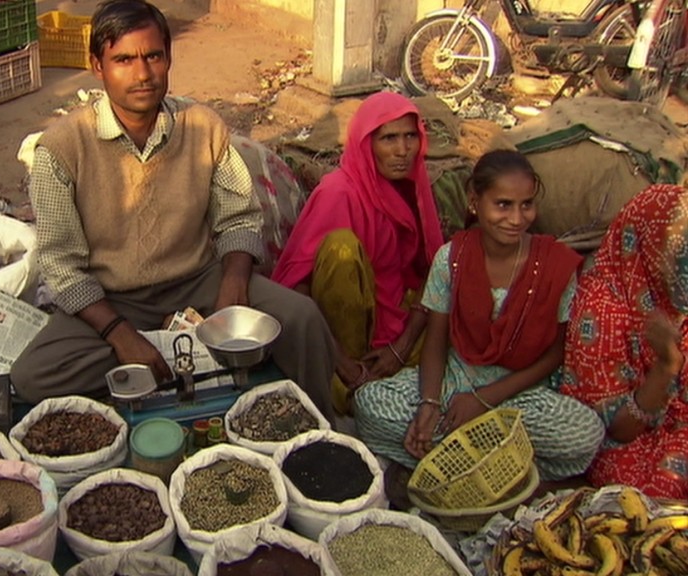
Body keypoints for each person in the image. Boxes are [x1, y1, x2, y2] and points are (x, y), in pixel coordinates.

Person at [9, 0, 337, 418]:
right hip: (113, 298)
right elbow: (62, 266)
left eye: (153, 56)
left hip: (197, 281)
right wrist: (119, 334)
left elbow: (238, 215)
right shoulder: (61, 149)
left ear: (168, 58)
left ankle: (318, 430)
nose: (143, 73)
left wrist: (234, 282)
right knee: (34, 374)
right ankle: (169, 351)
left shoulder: (202, 126)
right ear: (97, 66)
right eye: (124, 59)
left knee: (303, 320)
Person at [354, 150, 604, 481]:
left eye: (526, 204)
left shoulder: (554, 265)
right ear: (474, 201)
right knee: (369, 403)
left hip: (518, 393)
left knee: (584, 436)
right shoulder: (452, 258)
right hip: (458, 378)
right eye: (503, 204)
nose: (517, 218)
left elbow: (555, 353)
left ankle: (452, 464)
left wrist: (483, 401)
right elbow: (436, 339)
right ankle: (499, 469)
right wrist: (430, 403)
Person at [271, 92, 444, 415]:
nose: (403, 150)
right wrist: (343, 362)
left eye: (410, 137)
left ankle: (373, 378)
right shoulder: (338, 192)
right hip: (337, 332)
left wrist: (400, 347)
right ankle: (348, 378)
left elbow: (432, 274)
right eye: (389, 138)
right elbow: (297, 286)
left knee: (455, 333)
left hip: (393, 316)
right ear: (366, 144)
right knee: (342, 248)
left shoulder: (412, 187)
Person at [560, 184, 688, 498]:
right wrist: (666, 365)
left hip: (677, 421)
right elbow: (618, 428)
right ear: (649, 243)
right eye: (676, 256)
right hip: (629, 442)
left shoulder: (671, 295)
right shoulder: (602, 308)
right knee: (661, 487)